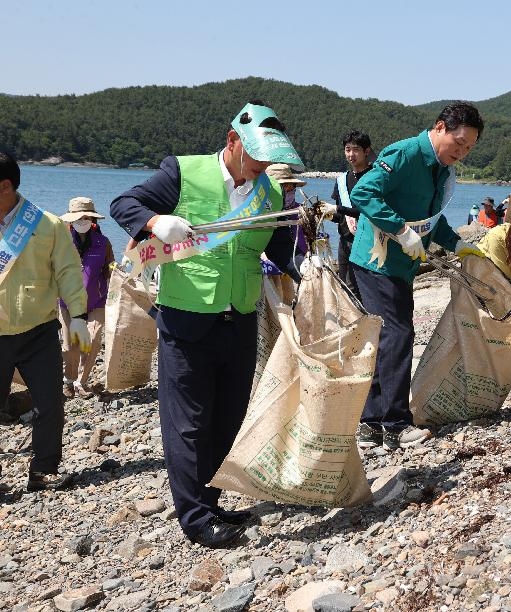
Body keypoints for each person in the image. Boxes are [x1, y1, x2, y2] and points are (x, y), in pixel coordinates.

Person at [110, 100, 309, 548]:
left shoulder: (271, 195)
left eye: (268, 160)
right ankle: (196, 518)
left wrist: (307, 265)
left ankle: (213, 502)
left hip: (239, 317)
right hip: (187, 317)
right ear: (232, 141)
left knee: (227, 418)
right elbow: (123, 203)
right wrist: (156, 222)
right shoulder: (183, 171)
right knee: (189, 423)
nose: (261, 167)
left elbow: (281, 250)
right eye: (255, 156)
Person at [349, 101, 486, 451]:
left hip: (403, 265)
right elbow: (362, 192)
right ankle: (394, 425)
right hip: (376, 260)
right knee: (397, 334)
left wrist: (458, 245)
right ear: (439, 128)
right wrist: (400, 230)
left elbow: (430, 219)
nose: (462, 152)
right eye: (459, 143)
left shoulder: (441, 167)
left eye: (469, 147)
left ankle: (370, 425)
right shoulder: (405, 154)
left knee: (385, 338)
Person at [0, 152, 89, 491]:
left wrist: (78, 316)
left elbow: (68, 272)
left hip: (38, 330)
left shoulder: (46, 224)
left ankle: (43, 470)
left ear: (6, 186)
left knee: (50, 402)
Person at [58, 197, 115, 399]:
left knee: (93, 340)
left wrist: (118, 273)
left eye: (85, 217)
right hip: (67, 302)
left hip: (97, 301)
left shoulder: (103, 242)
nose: (81, 221)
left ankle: (82, 382)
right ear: (71, 220)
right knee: (70, 346)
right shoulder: (61, 240)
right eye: (77, 217)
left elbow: (110, 269)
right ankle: (68, 381)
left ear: (92, 219)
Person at [330, 131, 374, 301]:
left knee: (368, 287)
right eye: (347, 150)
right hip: (345, 241)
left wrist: (337, 209)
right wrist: (325, 215)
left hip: (370, 242)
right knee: (348, 287)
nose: (351, 154)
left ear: (366, 151)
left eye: (356, 150)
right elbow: (339, 215)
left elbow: (370, 211)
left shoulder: (374, 177)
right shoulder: (341, 180)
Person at [262, 163, 308, 303]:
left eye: (291, 187)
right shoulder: (254, 212)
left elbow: (284, 250)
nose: (289, 191)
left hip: (291, 270)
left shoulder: (299, 211)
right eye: (283, 187)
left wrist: (307, 271)